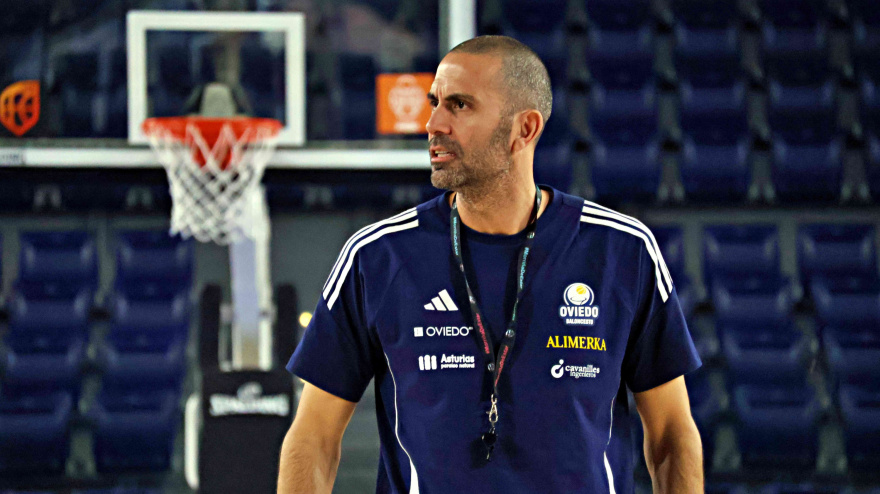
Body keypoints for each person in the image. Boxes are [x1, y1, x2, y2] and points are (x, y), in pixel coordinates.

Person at [278, 35, 703, 494]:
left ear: (525, 129)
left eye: (459, 105)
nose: (433, 123)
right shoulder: (376, 257)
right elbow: (313, 438)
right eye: (434, 102)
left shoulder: (623, 251)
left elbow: (671, 436)